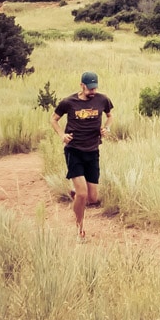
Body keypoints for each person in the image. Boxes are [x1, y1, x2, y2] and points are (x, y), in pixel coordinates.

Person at [50, 71, 114, 237]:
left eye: (95, 88)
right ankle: (80, 229)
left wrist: (106, 128)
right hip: (74, 151)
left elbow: (110, 116)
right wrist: (62, 135)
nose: (92, 92)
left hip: (93, 151)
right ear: (82, 85)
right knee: (83, 194)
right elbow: (53, 119)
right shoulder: (68, 102)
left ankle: (75, 194)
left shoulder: (103, 99)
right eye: (89, 88)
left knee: (92, 198)